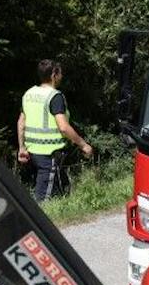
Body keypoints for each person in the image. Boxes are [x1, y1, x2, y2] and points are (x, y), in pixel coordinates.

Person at [18, 59, 93, 202]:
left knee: (61, 189)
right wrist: (84, 145)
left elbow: (21, 122)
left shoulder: (29, 94)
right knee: (43, 201)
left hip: (32, 152)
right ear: (54, 75)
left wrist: (22, 148)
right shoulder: (55, 96)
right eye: (60, 73)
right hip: (49, 154)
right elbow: (64, 127)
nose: (61, 76)